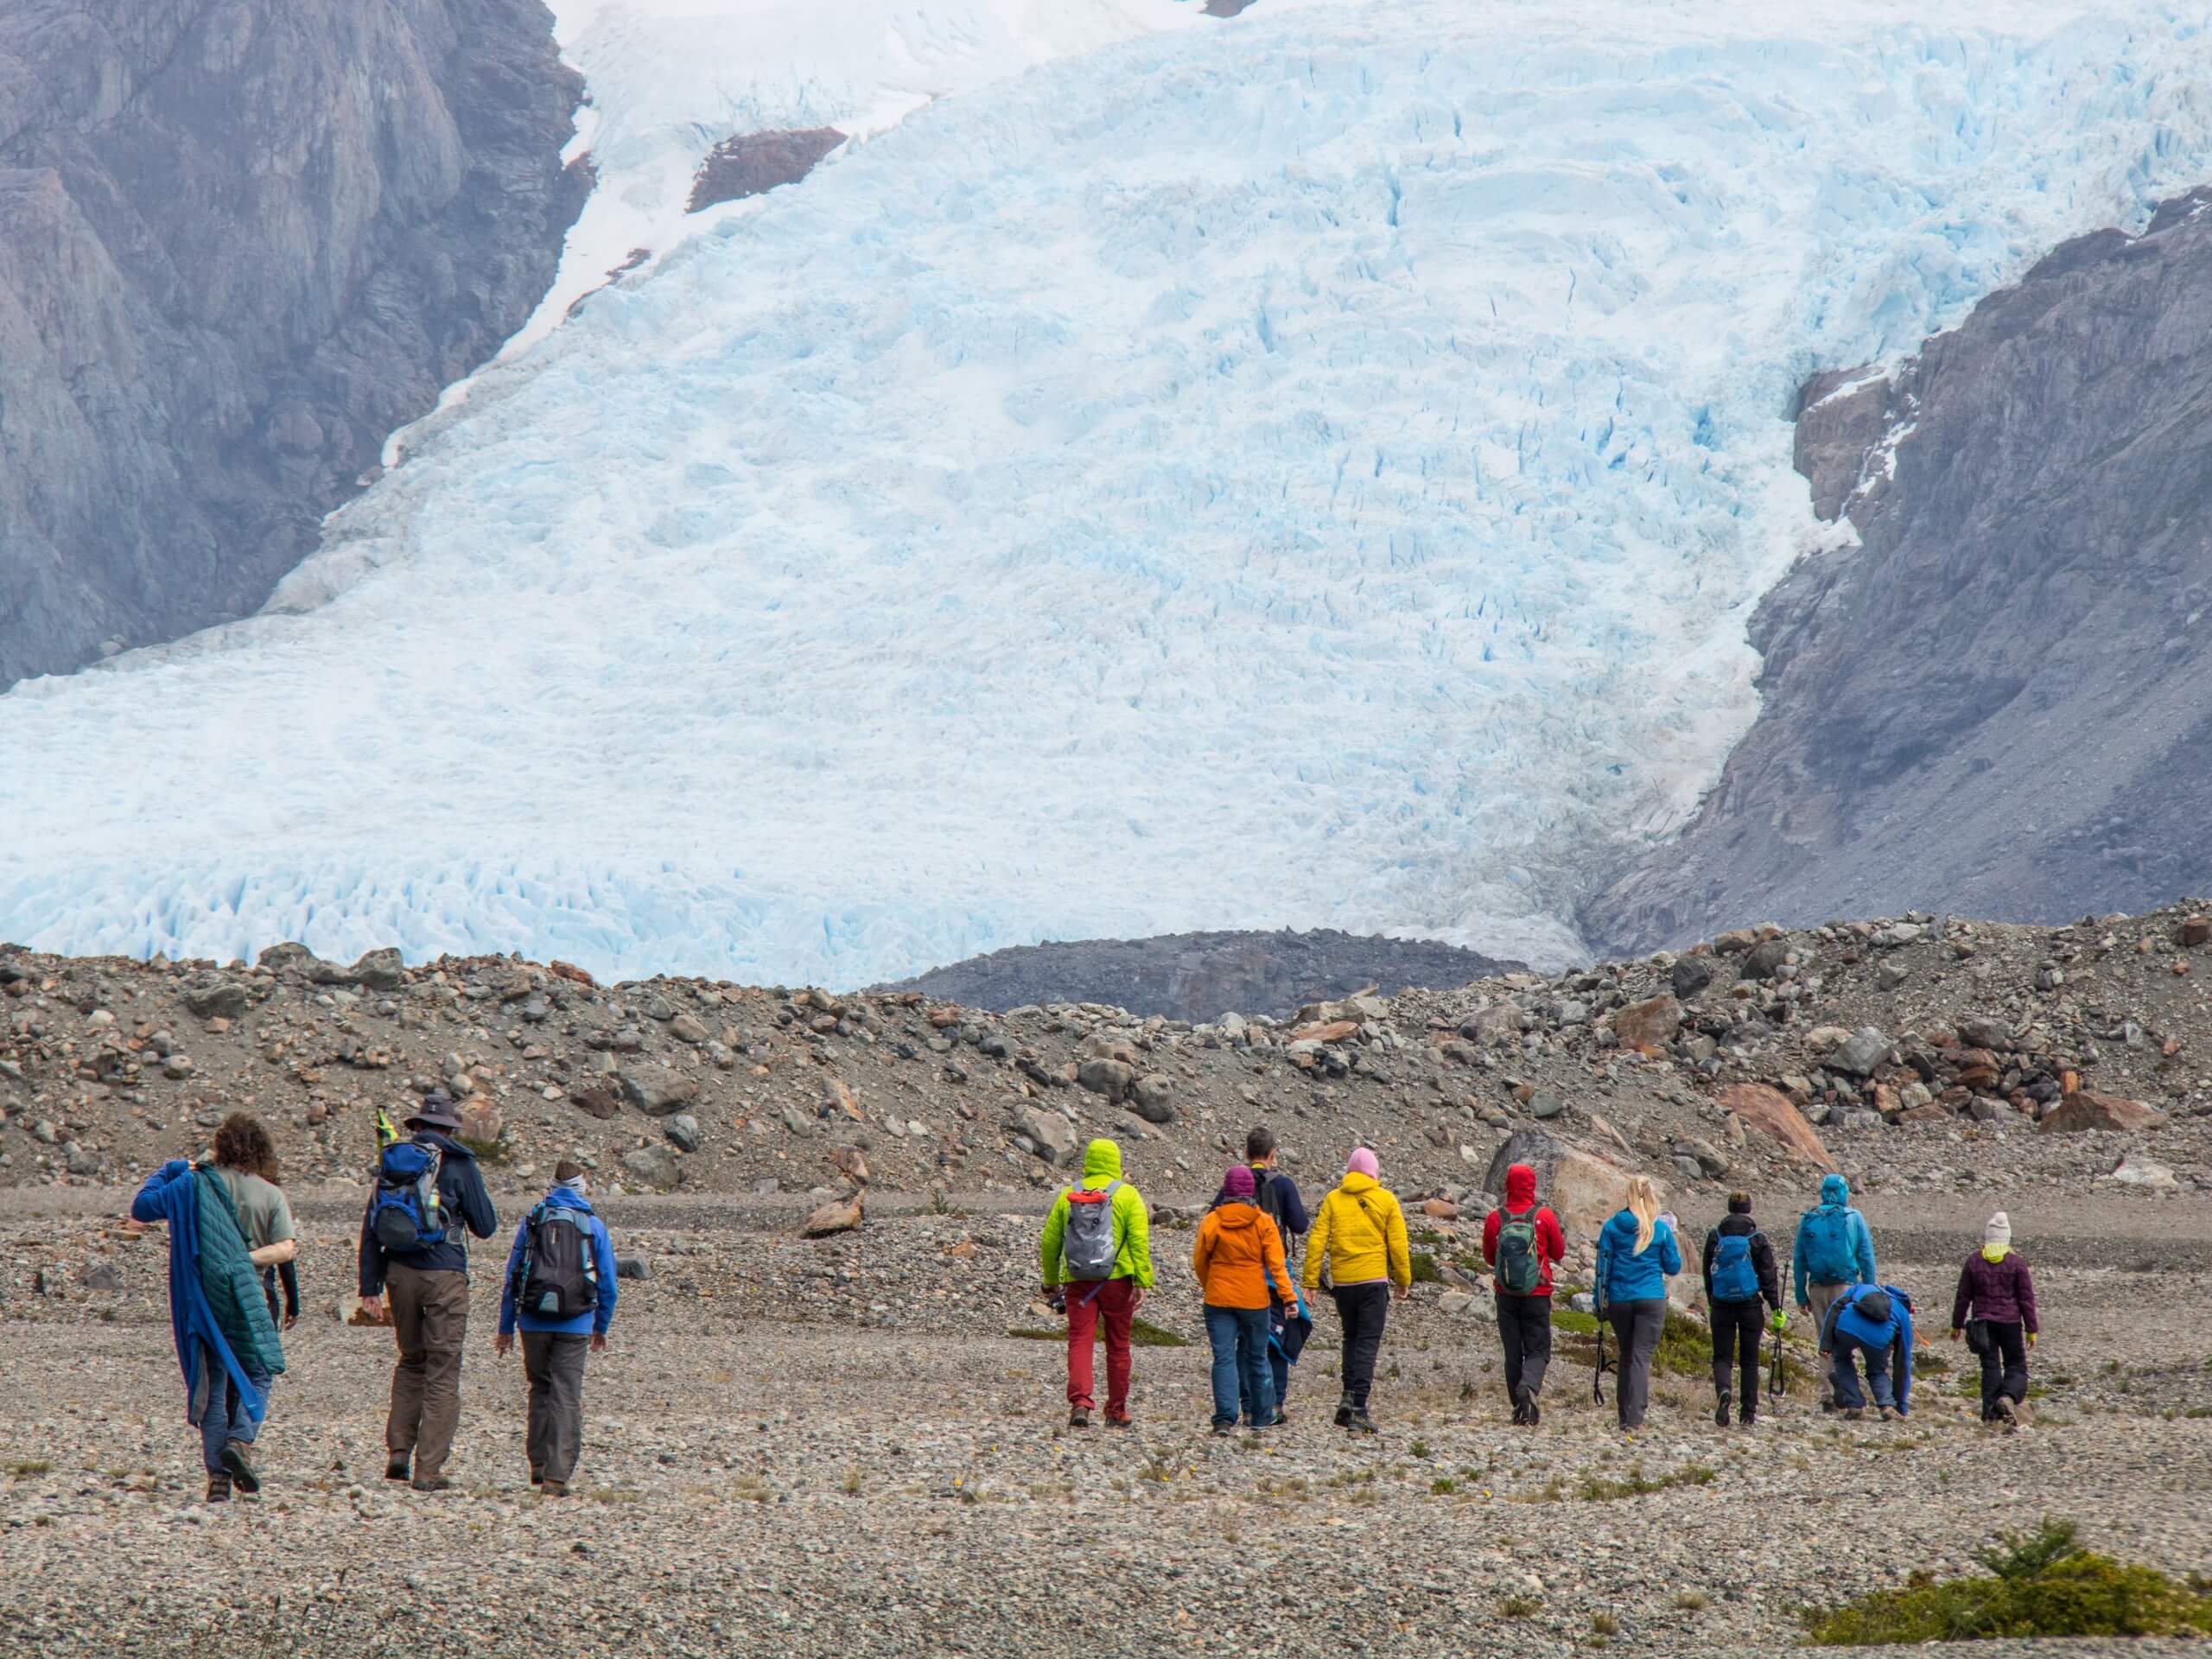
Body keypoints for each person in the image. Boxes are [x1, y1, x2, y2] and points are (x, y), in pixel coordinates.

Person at [356, 1090, 499, 1491]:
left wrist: (369, 1286)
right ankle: (429, 1470)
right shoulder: (459, 1162)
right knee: (442, 1371)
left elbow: (371, 1227)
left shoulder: (393, 1160)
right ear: (449, 1127)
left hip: (399, 1275)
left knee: (410, 1361)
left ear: (418, 1125)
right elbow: (486, 1227)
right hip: (444, 1278)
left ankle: (398, 1453)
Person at [131, 1153, 289, 1503]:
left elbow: (141, 1208)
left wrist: (168, 1168)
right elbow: (286, 1250)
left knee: (214, 1386)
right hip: (252, 1298)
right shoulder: (269, 1192)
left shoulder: (192, 1185)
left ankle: (218, 1479)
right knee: (259, 1374)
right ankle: (240, 1440)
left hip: (204, 1300)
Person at [495, 1160, 619, 1495]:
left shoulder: (533, 1220)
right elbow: (608, 1284)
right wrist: (600, 1326)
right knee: (566, 1394)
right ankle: (556, 1476)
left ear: (553, 1186)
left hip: (532, 1320)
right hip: (576, 1322)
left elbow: (513, 1276)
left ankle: (537, 1465)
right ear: (582, 1186)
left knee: (540, 1387)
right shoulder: (594, 1225)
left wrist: (505, 1327)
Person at [1039, 1137, 1154, 1428]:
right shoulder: (1128, 1195)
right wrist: (1142, 1279)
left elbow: (1050, 1241)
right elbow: (1139, 1241)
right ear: (1116, 1162)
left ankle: (1080, 1403)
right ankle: (1116, 1411)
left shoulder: (1069, 1194)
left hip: (1079, 1281)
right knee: (1118, 1345)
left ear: (1087, 1162)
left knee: (1081, 1340)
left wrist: (1052, 1280)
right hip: (1118, 1282)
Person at [1300, 1146, 1411, 1433]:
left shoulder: (1333, 1200)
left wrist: (1310, 1282)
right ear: (1374, 1171)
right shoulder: (1386, 1200)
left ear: (1349, 1171)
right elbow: (1398, 1246)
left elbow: (1316, 1242)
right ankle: (1359, 1408)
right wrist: (1403, 1280)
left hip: (1344, 1284)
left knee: (1350, 1338)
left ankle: (1348, 1395)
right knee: (1367, 1342)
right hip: (1374, 1281)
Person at [1211, 1125, 1310, 1423]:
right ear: (1273, 1155)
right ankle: (1274, 1404)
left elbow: (1212, 1218)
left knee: (1245, 1341)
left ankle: (1248, 1406)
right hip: (1275, 1270)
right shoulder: (1284, 1184)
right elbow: (1300, 1225)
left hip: (1238, 1273)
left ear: (1245, 1153)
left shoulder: (1234, 1184)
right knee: (1278, 1336)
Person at [1192, 1165, 1294, 1434]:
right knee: (1257, 1356)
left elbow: (1200, 1262)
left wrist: (1211, 1284)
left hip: (1218, 1298)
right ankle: (1260, 1418)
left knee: (1223, 1357)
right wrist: (1288, 1297)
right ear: (1250, 1190)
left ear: (1226, 1190)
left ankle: (1225, 1419)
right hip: (1254, 1299)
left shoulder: (1212, 1221)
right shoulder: (1263, 1222)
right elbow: (1277, 1265)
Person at [1595, 1175, 1682, 1434]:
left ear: (1628, 1195)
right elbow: (1674, 1266)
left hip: (1620, 1299)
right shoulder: (1661, 1229)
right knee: (1641, 1356)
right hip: (1651, 1298)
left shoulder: (1611, 1227)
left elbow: (1603, 1269)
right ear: (1651, 1197)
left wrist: (1598, 1302)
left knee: (1626, 1354)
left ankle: (1624, 1416)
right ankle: (1635, 1418)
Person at [1482, 1161, 1566, 1427]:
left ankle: (1520, 1409)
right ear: (1532, 1186)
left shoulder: (1497, 1217)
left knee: (1512, 1352)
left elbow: (1488, 1257)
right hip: (1537, 1293)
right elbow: (1559, 1252)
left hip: (1505, 1294)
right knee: (1539, 1349)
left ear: (1508, 1185)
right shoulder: (1544, 1216)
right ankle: (1528, 1388)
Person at [1792, 1173, 1878, 1412]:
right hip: (1847, 1287)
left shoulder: (1809, 1218)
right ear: (1844, 1193)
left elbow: (1799, 1259)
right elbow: (1866, 1256)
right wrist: (1869, 1290)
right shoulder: (1854, 1217)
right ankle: (1850, 1393)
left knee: (1824, 1340)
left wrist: (1801, 1295)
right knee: (1847, 1338)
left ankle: (1827, 1396)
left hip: (1818, 1288)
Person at [1702, 1190, 1783, 1429]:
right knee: (1750, 1360)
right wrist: (1775, 1305)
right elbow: (1768, 1275)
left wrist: (1711, 1298)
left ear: (1729, 1208)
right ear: (1749, 1209)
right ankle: (1748, 1413)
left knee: (1722, 1356)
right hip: (1750, 1305)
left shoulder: (1715, 1236)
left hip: (1721, 1304)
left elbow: (1707, 1271)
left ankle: (1724, 1391)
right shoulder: (1757, 1238)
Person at [1951, 1211, 2038, 1427]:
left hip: (1983, 1323)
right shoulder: (2017, 1263)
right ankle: (2008, 1397)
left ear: (1988, 1237)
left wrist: (1956, 1325)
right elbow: (2026, 1298)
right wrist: (2031, 1329)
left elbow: (1963, 1296)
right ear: (2007, 1237)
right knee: (2016, 1365)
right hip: (2010, 1322)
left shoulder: (1974, 1261)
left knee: (1990, 1367)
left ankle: (1990, 1413)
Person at [1821, 1281, 1916, 1421]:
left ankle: (1854, 1405)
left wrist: (1825, 1344)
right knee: (1877, 1371)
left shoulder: (1863, 1287)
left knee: (1842, 1360)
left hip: (1845, 1327)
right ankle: (1887, 1406)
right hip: (1878, 1338)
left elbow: (1835, 1308)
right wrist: (1901, 1406)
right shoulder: (1902, 1312)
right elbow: (1903, 1361)